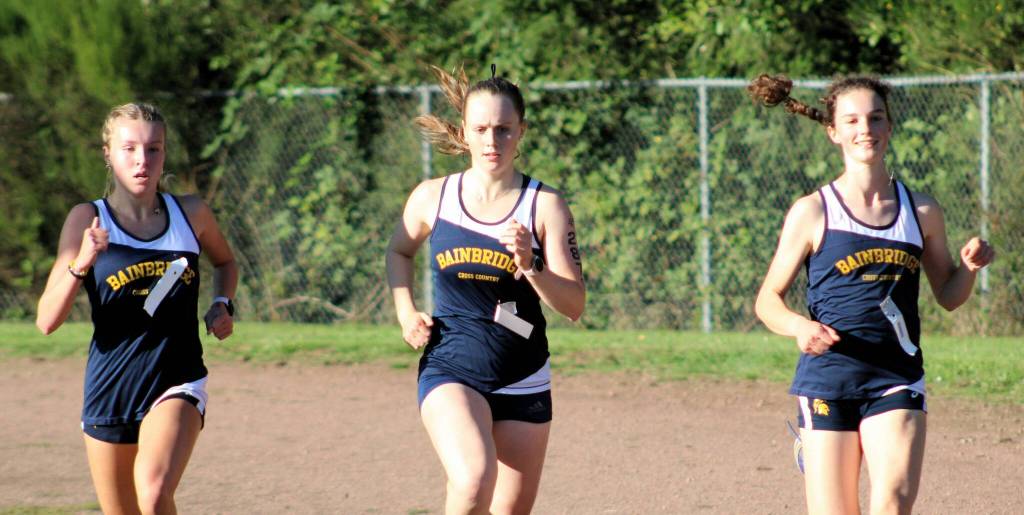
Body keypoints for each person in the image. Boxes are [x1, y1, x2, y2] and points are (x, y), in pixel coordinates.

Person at [749, 74, 995, 515]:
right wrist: (798, 327)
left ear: (889, 127)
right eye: (853, 120)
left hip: (895, 378)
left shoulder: (921, 211)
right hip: (829, 379)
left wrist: (970, 270)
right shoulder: (813, 211)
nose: (866, 129)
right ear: (834, 131)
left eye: (876, 118)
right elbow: (768, 299)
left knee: (893, 505)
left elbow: (949, 295)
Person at [386, 64, 585, 514]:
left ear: (522, 131)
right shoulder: (432, 196)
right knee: (474, 479)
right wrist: (405, 312)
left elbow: (574, 304)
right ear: (464, 132)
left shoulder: (545, 205)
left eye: (503, 129)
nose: (491, 141)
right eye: (481, 129)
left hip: (523, 376)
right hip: (451, 366)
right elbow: (398, 252)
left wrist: (531, 265)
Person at [35, 102, 238, 514]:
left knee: (153, 491)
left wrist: (222, 302)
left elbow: (226, 262)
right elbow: (46, 321)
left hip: (176, 381)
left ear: (165, 153)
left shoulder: (191, 214)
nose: (142, 160)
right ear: (108, 154)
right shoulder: (87, 219)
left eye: (154, 149)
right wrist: (82, 262)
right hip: (110, 391)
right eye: (129, 149)